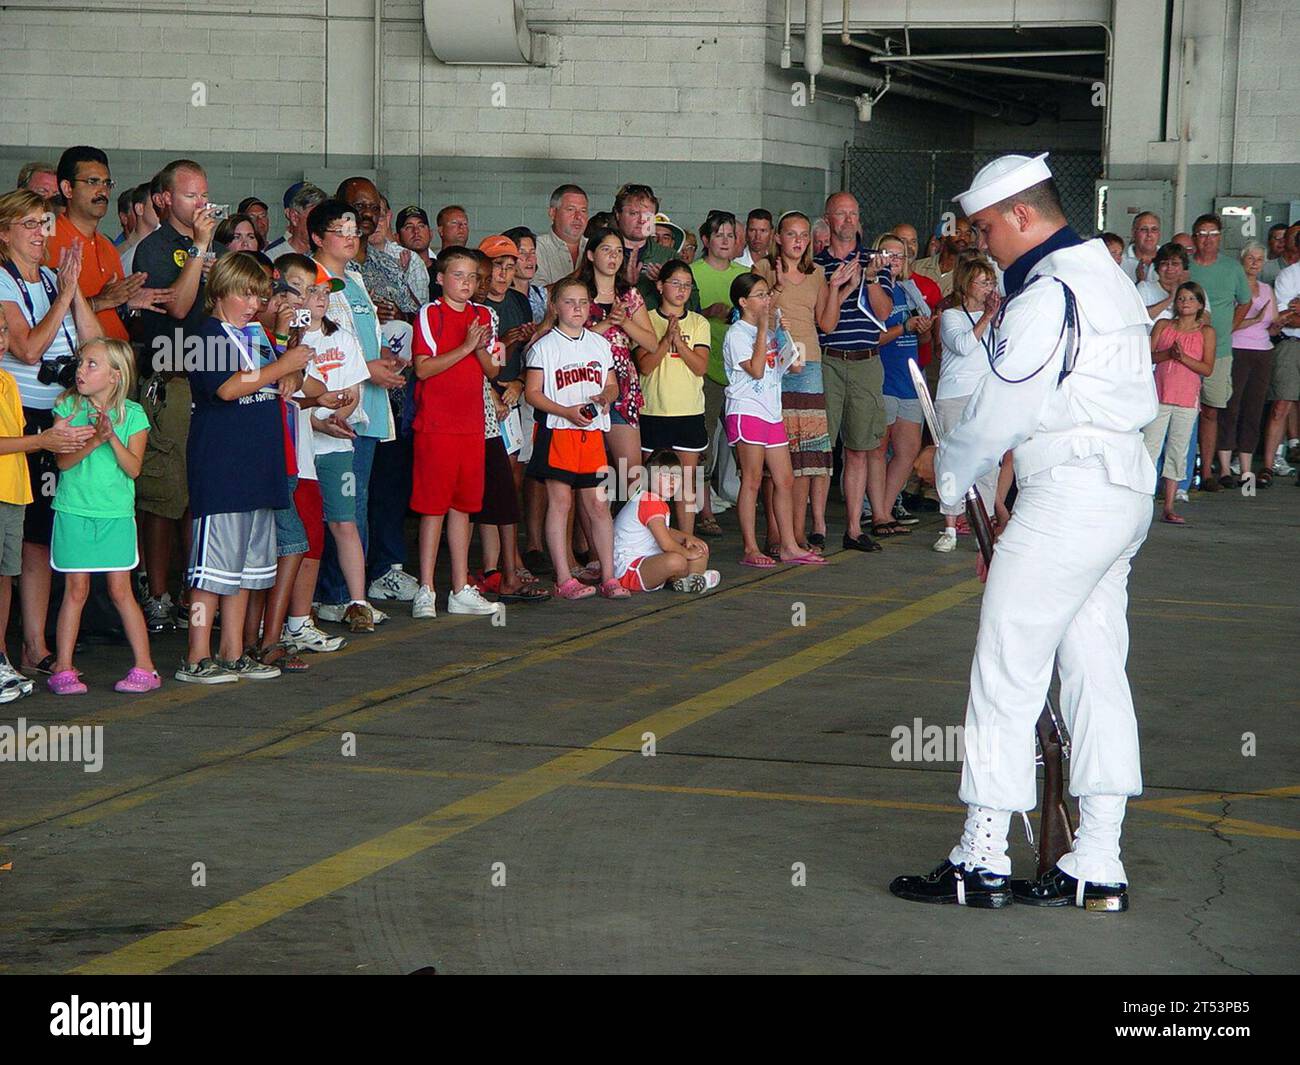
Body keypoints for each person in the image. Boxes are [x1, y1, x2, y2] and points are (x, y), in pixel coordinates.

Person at [891, 153, 1158, 912]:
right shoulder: (1105, 276)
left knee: (1006, 665)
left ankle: (982, 856)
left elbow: (1002, 412)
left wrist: (947, 477)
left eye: (985, 229)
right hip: (1118, 490)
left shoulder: (1048, 293)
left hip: (1070, 492)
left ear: (1019, 215)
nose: (983, 245)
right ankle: (1097, 860)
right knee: (1096, 666)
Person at [177, 253, 309, 683]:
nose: (253, 304)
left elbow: (275, 379)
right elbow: (229, 387)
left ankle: (233, 650)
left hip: (260, 463)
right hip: (223, 466)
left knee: (246, 571)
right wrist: (282, 367)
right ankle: (197, 655)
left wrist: (288, 375)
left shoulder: (254, 332)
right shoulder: (205, 335)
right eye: (244, 294)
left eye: (259, 295)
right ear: (219, 291)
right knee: (211, 571)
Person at [0, 188, 105, 678]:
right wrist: (61, 296)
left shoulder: (47, 277)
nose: (43, 234)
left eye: (46, 223)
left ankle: (34, 645)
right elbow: (26, 349)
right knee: (11, 536)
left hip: (56, 415)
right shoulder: (2, 280)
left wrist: (72, 287)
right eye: (31, 225)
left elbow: (91, 341)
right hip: (15, 418)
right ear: (4, 233)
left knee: (39, 535)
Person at [130, 159, 225, 634]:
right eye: (191, 196)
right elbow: (181, 305)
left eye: (205, 194)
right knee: (163, 497)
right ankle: (158, 593)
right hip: (169, 381)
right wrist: (201, 249)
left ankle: (195, 589)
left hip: (210, 382)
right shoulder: (156, 248)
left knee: (197, 496)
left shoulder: (210, 247)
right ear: (165, 199)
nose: (202, 204)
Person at [48, 337, 158, 694]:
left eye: (92, 365)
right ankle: (63, 667)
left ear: (115, 375)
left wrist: (110, 437)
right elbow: (63, 463)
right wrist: (94, 439)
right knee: (74, 589)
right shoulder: (66, 407)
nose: (81, 370)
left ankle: (145, 666)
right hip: (73, 509)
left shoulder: (134, 414)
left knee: (120, 590)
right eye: (81, 363)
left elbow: (134, 469)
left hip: (114, 514)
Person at [0, 315, 92, 699]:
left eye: (3, 331)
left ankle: (2, 657)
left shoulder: (6, 381)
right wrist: (42, 442)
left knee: (5, 575)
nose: (1, 340)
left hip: (13, 490)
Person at [409, 246, 500, 619]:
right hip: (437, 426)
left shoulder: (482, 315)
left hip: (472, 426)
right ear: (441, 278)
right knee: (433, 508)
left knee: (463, 506)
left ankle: (460, 586)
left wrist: (476, 348)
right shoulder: (430, 314)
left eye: (472, 277)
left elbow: (492, 370)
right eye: (459, 276)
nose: (466, 283)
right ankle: (427, 587)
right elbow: (423, 368)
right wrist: (466, 346)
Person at [523, 276, 627, 601]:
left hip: (592, 434)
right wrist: (565, 411)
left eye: (583, 302)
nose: (578, 308)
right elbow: (532, 393)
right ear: (555, 306)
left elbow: (612, 385)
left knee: (598, 504)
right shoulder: (544, 346)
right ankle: (564, 577)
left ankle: (609, 576)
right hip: (558, 432)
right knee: (561, 503)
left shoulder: (600, 344)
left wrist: (605, 397)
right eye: (570, 302)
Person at [723, 272, 824, 570]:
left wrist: (782, 336)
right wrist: (765, 328)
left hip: (771, 410)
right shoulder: (737, 334)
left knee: (785, 479)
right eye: (759, 295)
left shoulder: (768, 333)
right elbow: (755, 370)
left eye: (767, 294)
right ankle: (751, 547)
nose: (767, 299)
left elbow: (793, 367)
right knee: (752, 480)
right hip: (747, 410)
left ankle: (789, 545)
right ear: (743, 302)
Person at [813, 192, 891, 553]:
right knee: (821, 448)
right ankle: (816, 526)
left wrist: (870, 279)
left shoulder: (876, 263)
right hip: (827, 360)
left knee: (860, 448)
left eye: (853, 214)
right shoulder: (814, 265)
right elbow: (819, 321)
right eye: (840, 215)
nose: (847, 220)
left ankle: (855, 528)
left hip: (865, 362)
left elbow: (884, 313)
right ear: (828, 220)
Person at [752, 212, 834, 550]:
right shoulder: (763, 270)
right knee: (777, 452)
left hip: (810, 365)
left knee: (805, 458)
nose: (798, 241)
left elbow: (827, 323)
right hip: (776, 364)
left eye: (803, 235)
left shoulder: (817, 275)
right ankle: (775, 531)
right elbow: (752, 313)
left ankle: (797, 533)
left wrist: (840, 288)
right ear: (779, 238)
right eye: (791, 234)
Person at [46, 146, 167, 343]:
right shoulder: (46, 240)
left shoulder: (107, 247)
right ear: (68, 188)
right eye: (92, 182)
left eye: (107, 183)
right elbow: (37, 315)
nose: (102, 190)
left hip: (116, 361)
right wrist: (100, 302)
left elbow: (111, 308)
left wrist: (127, 303)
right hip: (80, 366)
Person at [573, 226, 657, 492]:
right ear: (590, 255)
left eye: (619, 251)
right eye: (606, 250)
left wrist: (625, 323)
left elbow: (651, 343)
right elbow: (568, 337)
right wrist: (608, 323)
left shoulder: (629, 295)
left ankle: (627, 532)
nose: (613, 257)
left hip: (622, 388)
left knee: (630, 475)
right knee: (586, 477)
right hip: (583, 384)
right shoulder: (577, 293)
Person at [635, 259, 711, 536]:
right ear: (659, 285)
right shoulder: (645, 319)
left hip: (688, 411)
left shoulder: (699, 322)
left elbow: (701, 367)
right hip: (654, 411)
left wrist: (679, 343)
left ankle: (688, 540)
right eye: (675, 283)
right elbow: (644, 366)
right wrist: (666, 340)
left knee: (685, 482)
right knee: (652, 483)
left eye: (687, 285)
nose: (682, 290)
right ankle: (651, 541)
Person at [934, 256, 1003, 552]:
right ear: (967, 284)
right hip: (955, 395)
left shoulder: (998, 317)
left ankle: (983, 525)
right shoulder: (951, 316)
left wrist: (995, 318)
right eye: (983, 282)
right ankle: (950, 526)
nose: (989, 287)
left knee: (988, 463)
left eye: (992, 282)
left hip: (986, 396)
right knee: (952, 460)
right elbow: (963, 346)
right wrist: (986, 318)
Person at [870, 232, 932, 539]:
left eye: (900, 255)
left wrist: (922, 329)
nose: (894, 260)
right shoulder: (871, 289)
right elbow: (870, 337)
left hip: (909, 379)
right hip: (882, 377)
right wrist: (903, 326)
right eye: (888, 254)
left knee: (907, 452)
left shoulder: (910, 290)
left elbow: (922, 339)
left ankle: (884, 507)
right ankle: (877, 513)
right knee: (878, 450)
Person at [690, 210, 747, 536]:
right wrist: (706, 312)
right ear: (707, 240)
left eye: (730, 235)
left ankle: (749, 507)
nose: (725, 241)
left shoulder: (744, 274)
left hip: (741, 372)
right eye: (719, 235)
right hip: (706, 370)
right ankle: (705, 509)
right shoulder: (694, 273)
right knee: (704, 441)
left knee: (745, 444)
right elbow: (681, 312)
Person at [1187, 213, 1251, 491]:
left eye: (1213, 234)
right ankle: (1183, 471)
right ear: (1194, 238)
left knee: (1211, 410)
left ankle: (1208, 471)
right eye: (1202, 233)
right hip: (1185, 349)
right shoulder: (1187, 267)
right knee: (1182, 410)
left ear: (1220, 237)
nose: (1207, 239)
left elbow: (1245, 302)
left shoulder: (1232, 268)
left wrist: (1229, 328)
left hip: (1220, 350)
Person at [1142, 283, 1215, 524]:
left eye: (1191, 299)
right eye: (1181, 298)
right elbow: (1148, 357)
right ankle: (1141, 502)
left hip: (1186, 400)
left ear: (1200, 305)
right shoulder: (1163, 326)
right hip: (1159, 396)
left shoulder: (1206, 332)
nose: (1185, 302)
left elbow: (1207, 368)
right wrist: (1168, 355)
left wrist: (1183, 358)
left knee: (1177, 451)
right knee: (1149, 449)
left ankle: (1170, 505)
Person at [613, 449, 719, 594]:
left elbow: (664, 531)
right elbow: (666, 543)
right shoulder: (650, 501)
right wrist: (687, 554)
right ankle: (694, 578)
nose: (671, 481)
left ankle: (691, 580)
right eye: (664, 475)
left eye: (676, 476)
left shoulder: (655, 499)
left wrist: (688, 538)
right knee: (677, 561)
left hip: (647, 561)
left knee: (699, 548)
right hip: (629, 571)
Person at [1219, 243, 1276, 487]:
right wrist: (1253, 318)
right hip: (1236, 348)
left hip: (1262, 351)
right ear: (1241, 260)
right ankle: (1223, 467)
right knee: (1231, 405)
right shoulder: (1232, 287)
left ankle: (1245, 469)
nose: (1254, 262)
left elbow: (1271, 323)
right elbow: (1228, 325)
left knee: (1253, 408)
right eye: (1250, 258)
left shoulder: (1266, 289)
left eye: (1259, 259)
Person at [1262, 257, 1300, 485]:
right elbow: (1283, 318)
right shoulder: (1289, 275)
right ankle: (1267, 465)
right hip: (1290, 344)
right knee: (1280, 405)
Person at [534, 185, 588, 287]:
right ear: (553, 213)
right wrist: (582, 272)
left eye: (583, 211)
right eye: (570, 209)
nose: (578, 217)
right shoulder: (536, 248)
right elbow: (538, 297)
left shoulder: (595, 246)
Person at [912, 215, 974, 298]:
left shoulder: (969, 274)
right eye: (957, 232)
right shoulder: (917, 267)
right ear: (944, 236)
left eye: (968, 234)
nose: (963, 237)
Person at [264, 182, 326, 260]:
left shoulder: (331, 254)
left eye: (323, 218)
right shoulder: (272, 257)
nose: (320, 224)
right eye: (315, 218)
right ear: (294, 218)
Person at [1135, 242, 1187, 322]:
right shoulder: (1144, 288)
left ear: (1183, 267)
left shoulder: (1193, 290)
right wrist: (1171, 298)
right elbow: (1141, 317)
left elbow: (1202, 320)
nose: (1170, 267)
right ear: (1157, 267)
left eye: (1175, 263)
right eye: (1164, 263)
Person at [1120, 212, 1161, 282]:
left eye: (1154, 229)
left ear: (1159, 233)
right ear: (1133, 233)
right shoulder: (1120, 262)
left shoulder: (1168, 260)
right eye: (1144, 229)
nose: (1149, 234)